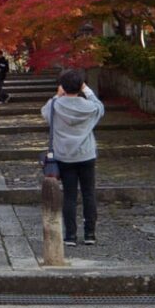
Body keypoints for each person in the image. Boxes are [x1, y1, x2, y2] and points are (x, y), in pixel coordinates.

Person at [41, 68, 105, 247]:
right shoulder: (89, 107)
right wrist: (87, 90)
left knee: (69, 195)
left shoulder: (55, 105)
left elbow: (45, 112)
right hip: (86, 154)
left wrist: (57, 95)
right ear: (80, 85)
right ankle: (90, 233)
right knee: (88, 193)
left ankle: (70, 235)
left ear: (62, 85)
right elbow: (100, 107)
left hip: (64, 155)